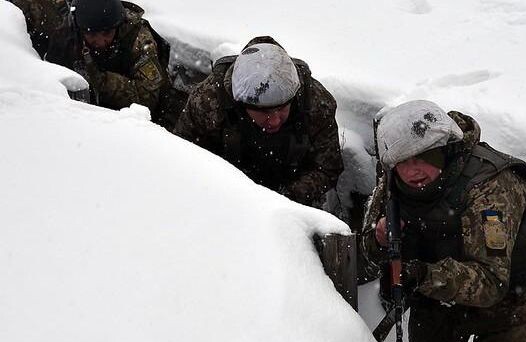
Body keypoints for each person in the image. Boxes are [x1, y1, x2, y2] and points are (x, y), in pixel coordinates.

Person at [361, 100, 526, 342]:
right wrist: (380, 239)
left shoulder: (491, 186)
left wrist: (421, 274)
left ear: (444, 150)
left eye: (423, 157)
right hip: (440, 289)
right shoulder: (396, 181)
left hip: (513, 301)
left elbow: (492, 283)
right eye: (403, 162)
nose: (413, 171)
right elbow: (366, 249)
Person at [173, 37, 343, 207]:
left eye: (282, 108)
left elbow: (327, 169)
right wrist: (227, 192)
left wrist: (286, 198)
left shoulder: (316, 103)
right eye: (265, 112)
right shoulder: (208, 102)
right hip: (223, 193)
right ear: (241, 104)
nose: (275, 120)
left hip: (291, 202)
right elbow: (182, 158)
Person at [11, 0, 176, 124]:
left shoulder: (140, 41)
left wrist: (101, 81)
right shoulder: (67, 31)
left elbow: (147, 99)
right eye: (92, 34)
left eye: (107, 33)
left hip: (134, 118)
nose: (100, 41)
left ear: (118, 26)